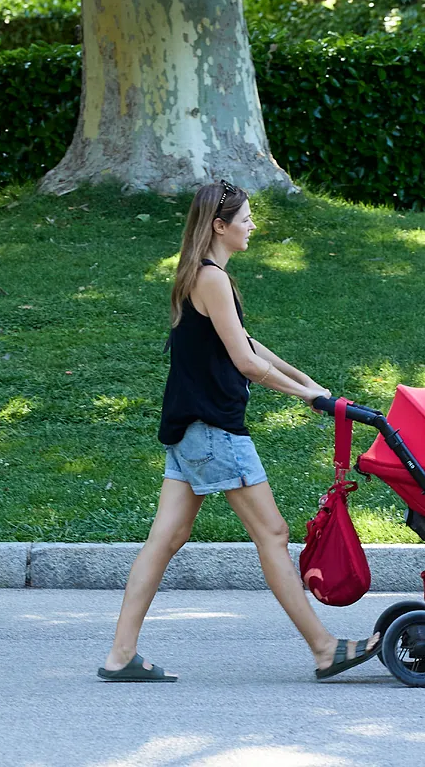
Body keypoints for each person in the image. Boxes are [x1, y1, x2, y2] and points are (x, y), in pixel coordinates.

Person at [98, 180, 380, 683]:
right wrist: (305, 396)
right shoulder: (212, 280)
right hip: (213, 433)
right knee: (271, 533)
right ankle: (324, 648)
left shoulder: (197, 276)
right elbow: (247, 363)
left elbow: (249, 342)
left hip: (189, 433)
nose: (253, 226)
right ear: (218, 226)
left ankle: (120, 655)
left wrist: (310, 384)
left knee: (165, 539)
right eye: (245, 218)